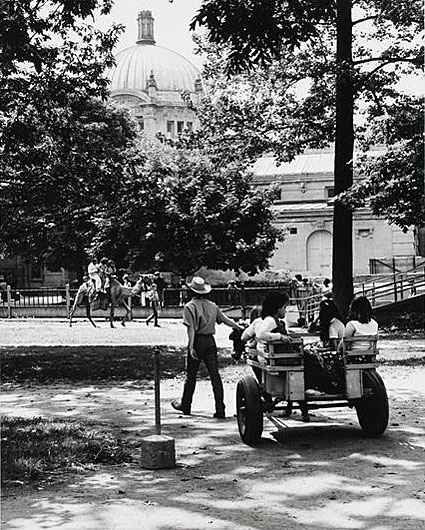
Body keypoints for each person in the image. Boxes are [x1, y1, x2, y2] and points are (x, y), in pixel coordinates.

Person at [171, 276, 244, 419]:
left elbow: (191, 329)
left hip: (197, 340)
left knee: (191, 376)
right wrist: (239, 327)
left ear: (192, 291)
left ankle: (186, 405)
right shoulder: (212, 305)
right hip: (210, 341)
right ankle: (220, 409)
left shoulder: (189, 307)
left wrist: (191, 347)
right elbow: (225, 320)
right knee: (215, 376)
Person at [305, 299, 345, 394]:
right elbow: (310, 330)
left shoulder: (333, 326)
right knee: (307, 347)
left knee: (310, 353)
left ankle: (315, 382)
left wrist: (318, 349)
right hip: (331, 348)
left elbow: (334, 347)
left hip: (336, 353)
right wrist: (318, 317)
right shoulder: (331, 322)